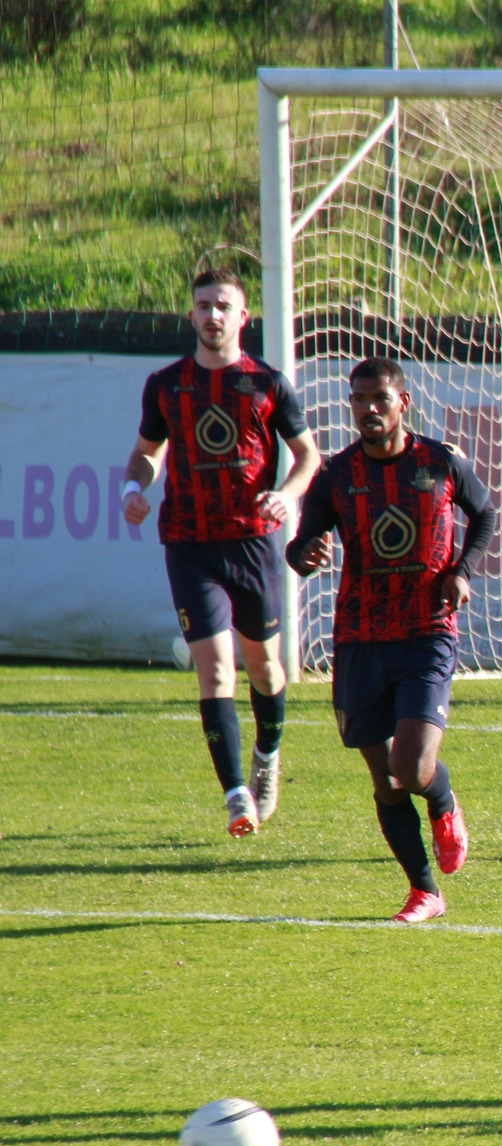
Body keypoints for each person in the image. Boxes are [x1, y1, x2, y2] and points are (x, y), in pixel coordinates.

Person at [286, 358, 497, 924]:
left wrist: (463, 571)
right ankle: (424, 891)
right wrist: (303, 554)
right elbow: (301, 543)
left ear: (403, 402)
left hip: (427, 631)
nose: (368, 408)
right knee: (384, 777)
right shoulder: (335, 474)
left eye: (380, 397)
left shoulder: (440, 461)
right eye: (359, 399)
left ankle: (444, 802)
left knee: (411, 767)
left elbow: (485, 515)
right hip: (359, 637)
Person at [122, 269, 321, 839]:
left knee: (265, 665)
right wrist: (134, 489)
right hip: (188, 543)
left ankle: (267, 755)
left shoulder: (267, 384)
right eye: (203, 305)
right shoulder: (165, 384)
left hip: (252, 541)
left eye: (224, 306)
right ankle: (236, 795)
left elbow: (307, 456)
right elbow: (145, 452)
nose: (213, 315)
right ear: (191, 315)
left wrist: (285, 495)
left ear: (243, 317)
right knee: (214, 670)